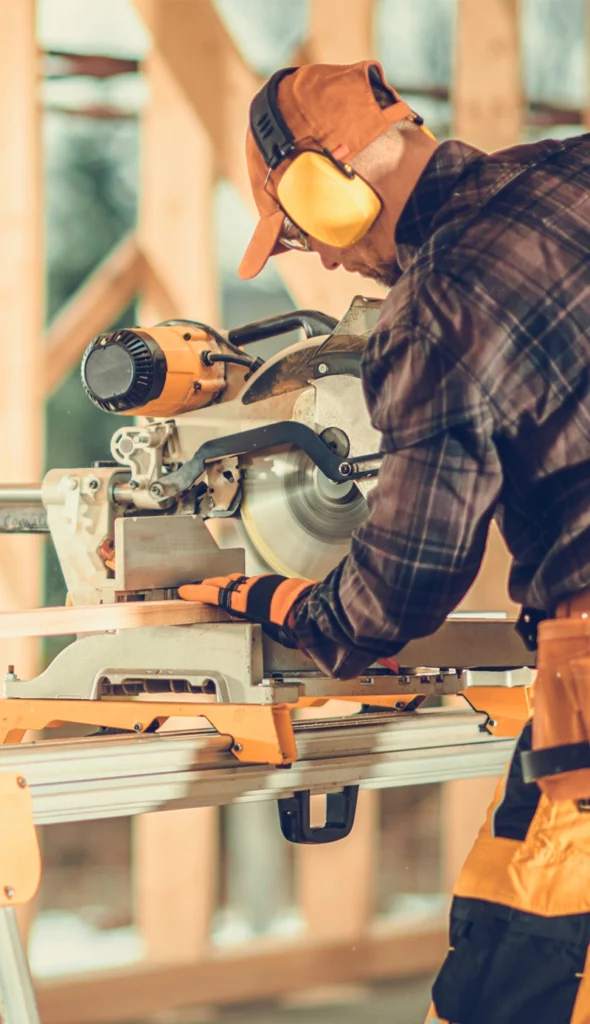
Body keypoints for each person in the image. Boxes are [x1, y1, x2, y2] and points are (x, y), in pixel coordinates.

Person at [180, 61, 590, 1023]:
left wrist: (283, 606)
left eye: (295, 230)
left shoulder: (443, 300)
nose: (318, 261)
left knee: (512, 978)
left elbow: (398, 593)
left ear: (329, 187)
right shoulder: (571, 173)